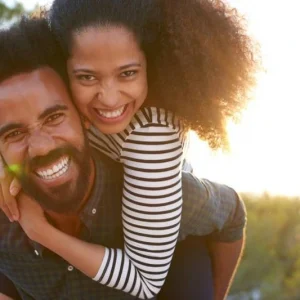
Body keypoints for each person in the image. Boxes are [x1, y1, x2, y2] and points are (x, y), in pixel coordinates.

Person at [1, 0, 255, 298]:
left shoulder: (152, 138)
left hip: (170, 244)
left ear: (151, 64)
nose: (108, 99)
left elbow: (145, 280)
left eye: (127, 73)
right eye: (87, 76)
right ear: (66, 72)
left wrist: (41, 232)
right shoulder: (61, 99)